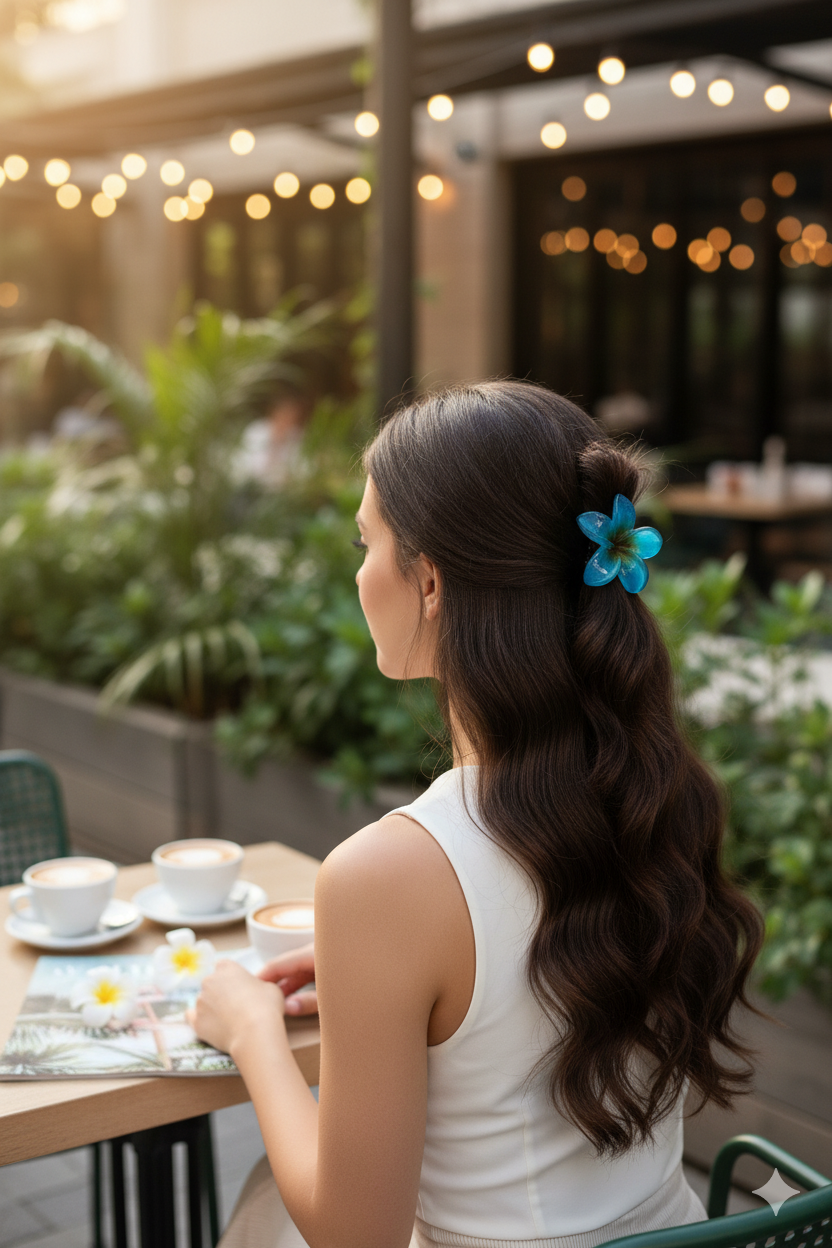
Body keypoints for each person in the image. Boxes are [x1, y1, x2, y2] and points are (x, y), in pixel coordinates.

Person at [192, 380, 767, 1248]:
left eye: (366, 542)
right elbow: (520, 971)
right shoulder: (659, 788)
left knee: (258, 1198)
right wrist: (382, 975)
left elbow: (356, 1237)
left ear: (427, 582)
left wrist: (250, 1033)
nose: (357, 572)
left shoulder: (386, 876)